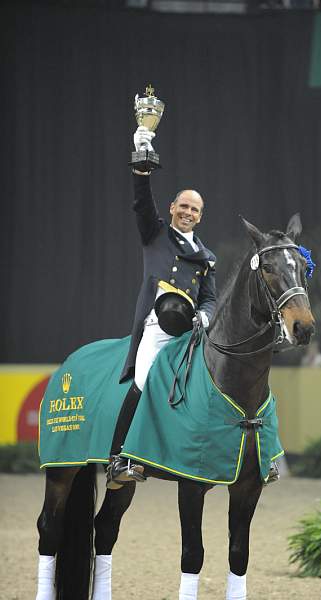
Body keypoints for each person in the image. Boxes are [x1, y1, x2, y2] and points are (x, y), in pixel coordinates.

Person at [106, 126, 217, 489]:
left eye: (194, 209)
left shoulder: (206, 258)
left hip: (190, 332)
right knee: (143, 378)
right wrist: (142, 162)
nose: (187, 212)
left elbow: (210, 299)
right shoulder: (155, 235)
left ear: (200, 216)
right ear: (172, 208)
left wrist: (204, 316)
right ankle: (118, 457)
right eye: (183, 206)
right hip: (157, 328)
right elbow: (141, 201)